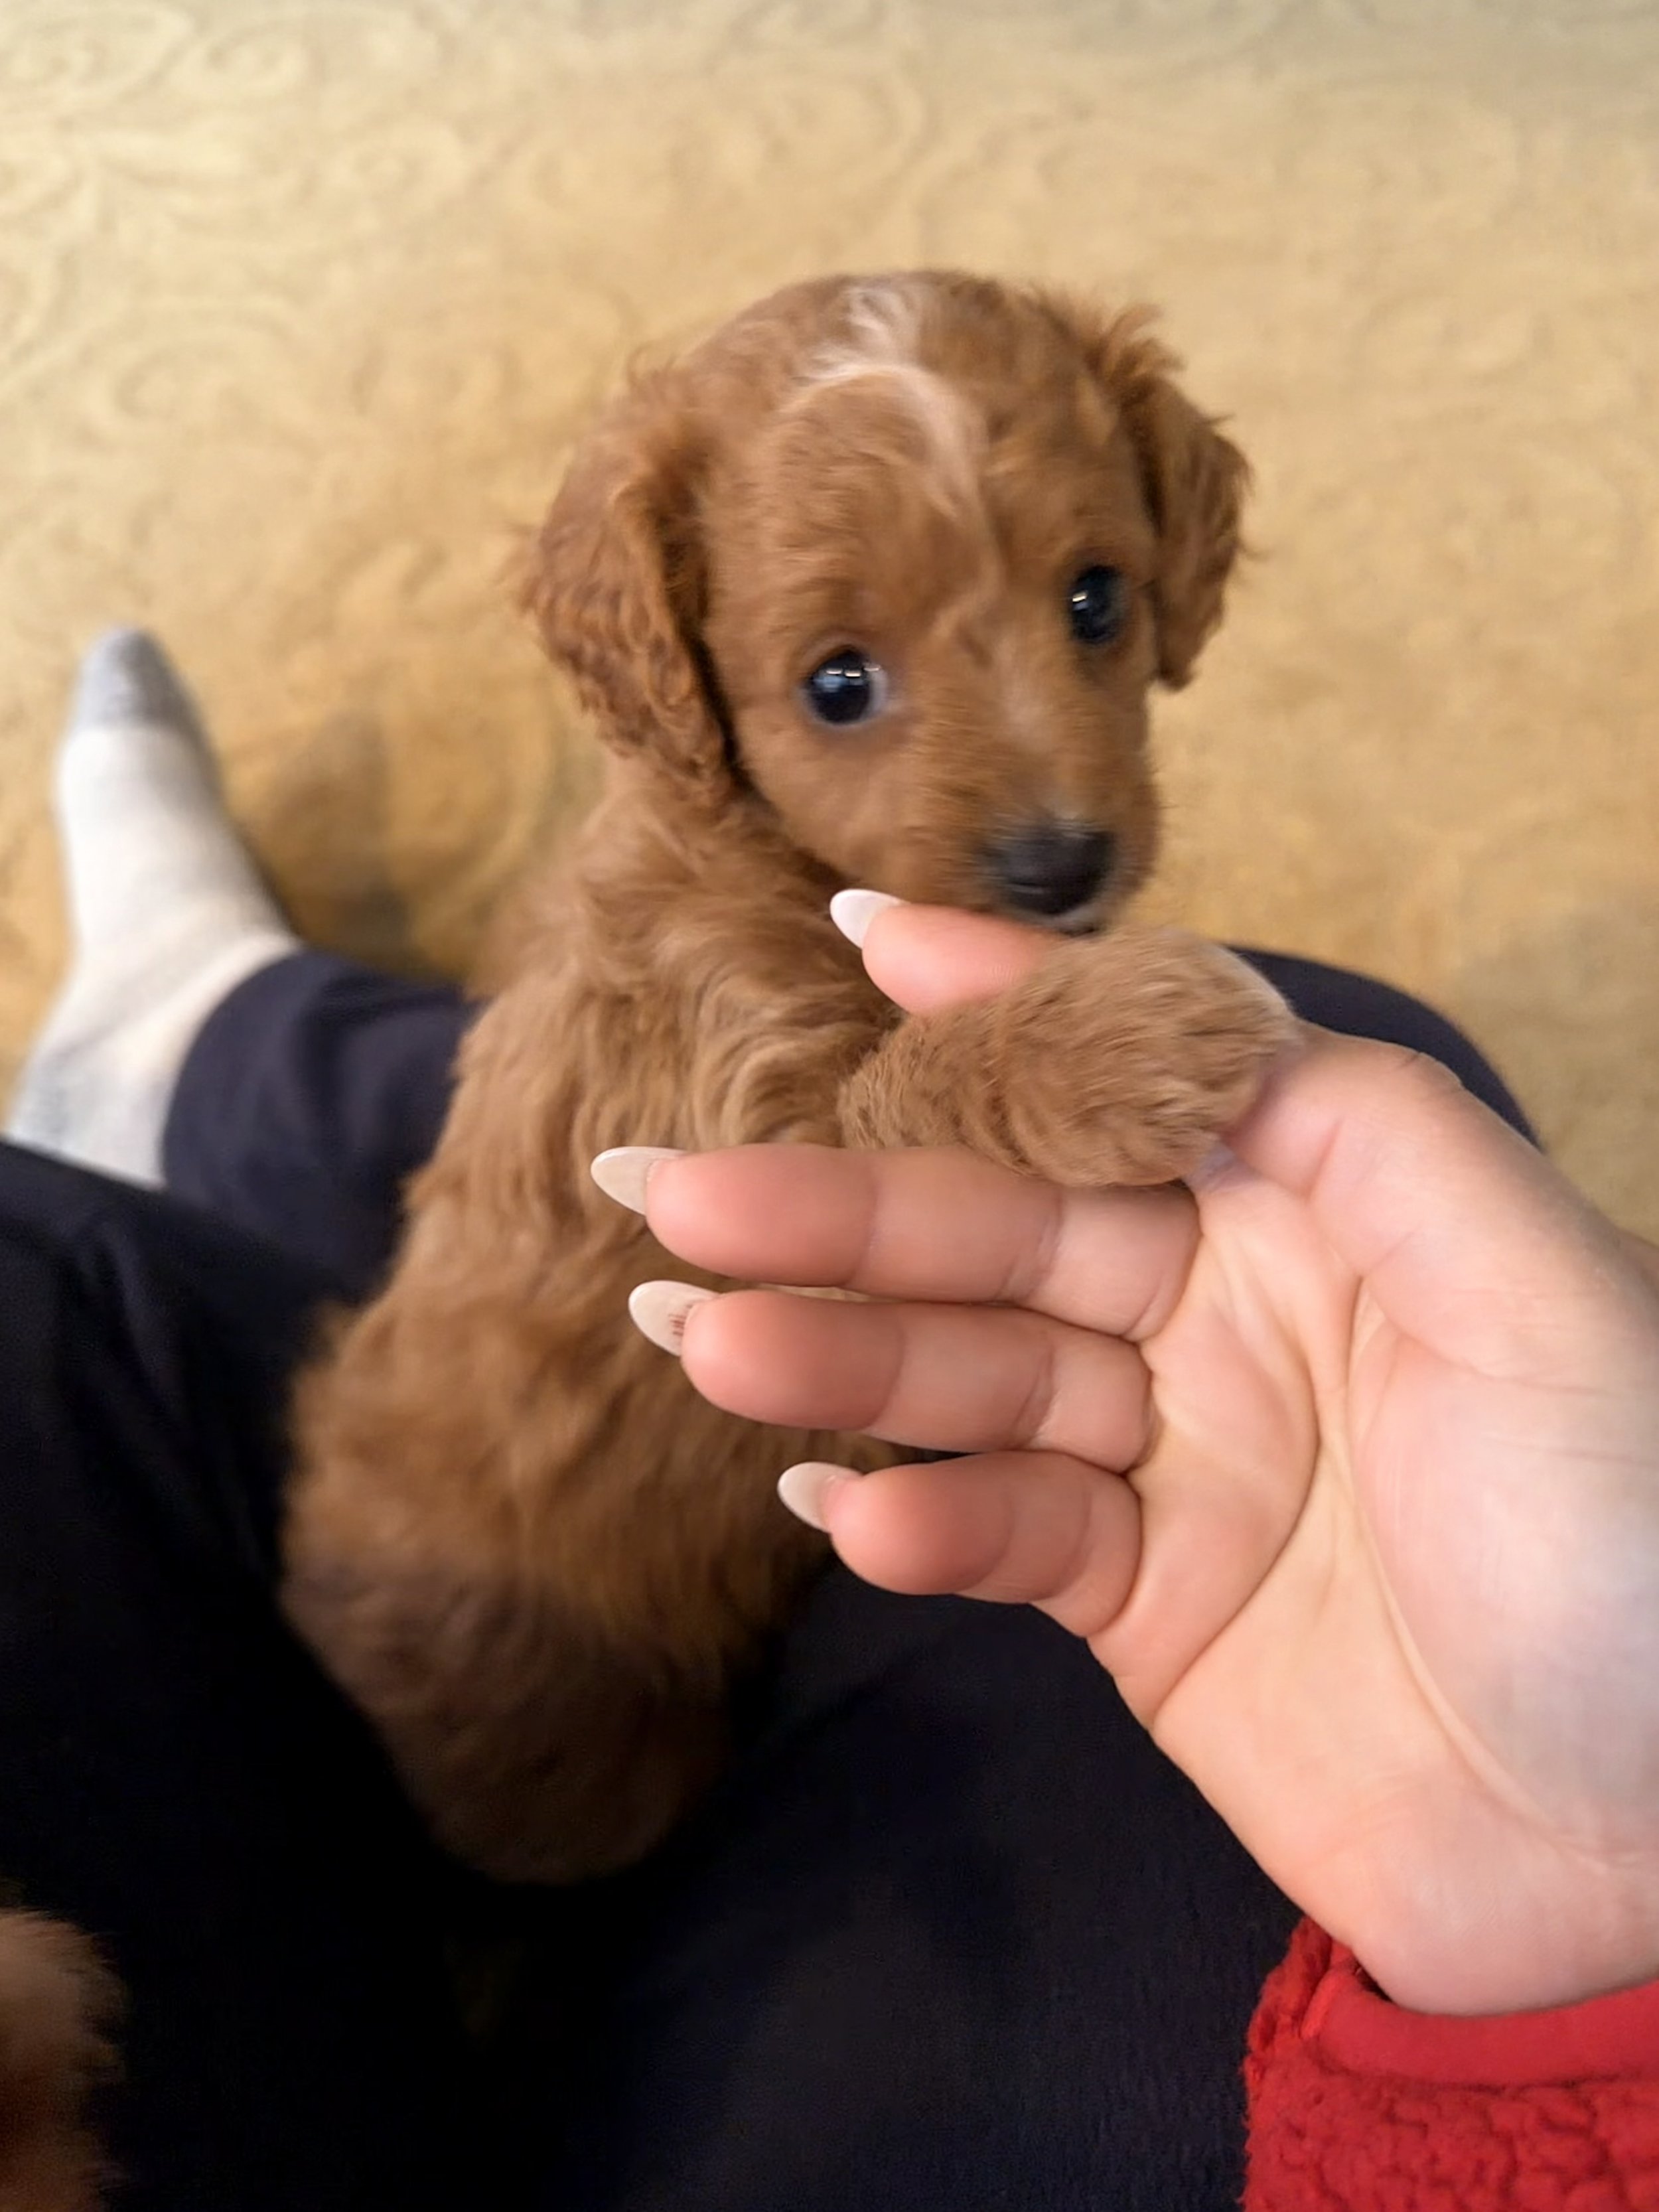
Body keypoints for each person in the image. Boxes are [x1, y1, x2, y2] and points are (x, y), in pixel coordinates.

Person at [1, 630, 1655, 2210]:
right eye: (844, 677)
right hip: (509, 1814)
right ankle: (231, 1049)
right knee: (1301, 1064)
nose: (1047, 784)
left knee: (130, 1278)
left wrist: (1581, 1912)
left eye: (1090, 607)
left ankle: (201, 1043)